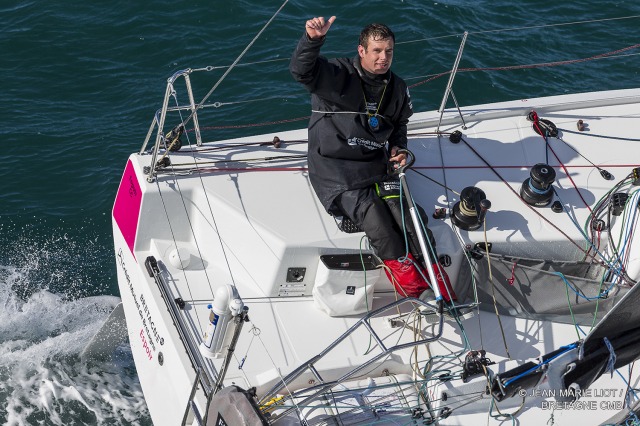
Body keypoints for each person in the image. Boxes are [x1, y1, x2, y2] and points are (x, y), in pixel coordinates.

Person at [290, 16, 456, 301]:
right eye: (377, 51)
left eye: (389, 51)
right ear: (362, 51)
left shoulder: (397, 88)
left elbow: (399, 124)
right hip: (336, 167)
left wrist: (399, 149)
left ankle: (442, 289)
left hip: (377, 164)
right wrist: (313, 39)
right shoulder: (337, 74)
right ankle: (416, 293)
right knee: (380, 225)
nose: (383, 58)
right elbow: (301, 71)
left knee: (411, 222)